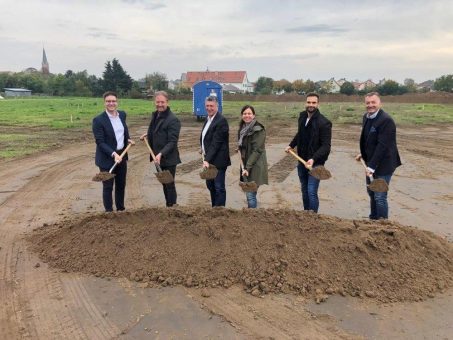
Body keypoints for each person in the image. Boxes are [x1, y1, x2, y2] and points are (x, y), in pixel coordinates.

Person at [357, 92, 401, 219]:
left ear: (379, 103)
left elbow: (383, 146)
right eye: (368, 103)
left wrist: (371, 167)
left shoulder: (386, 121)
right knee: (371, 192)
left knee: (380, 196)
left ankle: (383, 225)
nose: (370, 105)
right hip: (371, 161)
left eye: (373, 102)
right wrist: (363, 154)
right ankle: (374, 219)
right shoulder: (366, 117)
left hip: (384, 164)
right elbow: (369, 140)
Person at [285, 93, 332, 213]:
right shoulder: (302, 117)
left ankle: (313, 217)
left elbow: (326, 146)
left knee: (311, 191)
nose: (311, 105)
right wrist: (291, 145)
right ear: (305, 103)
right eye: (309, 102)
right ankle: (306, 214)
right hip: (301, 161)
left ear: (318, 104)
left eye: (314, 103)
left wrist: (313, 159)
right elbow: (299, 134)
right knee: (304, 189)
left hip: (315, 164)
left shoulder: (324, 123)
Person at [92, 91, 134, 212]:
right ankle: (109, 212)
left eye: (113, 101)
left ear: (117, 102)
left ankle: (120, 210)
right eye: (108, 101)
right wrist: (114, 154)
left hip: (122, 155)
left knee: (121, 185)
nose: (111, 103)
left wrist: (128, 139)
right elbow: (100, 142)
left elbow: (122, 131)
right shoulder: (98, 120)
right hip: (107, 158)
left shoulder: (122, 115)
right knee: (108, 186)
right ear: (104, 103)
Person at [140, 91, 181, 207]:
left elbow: (172, 141)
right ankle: (169, 205)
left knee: (169, 184)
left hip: (168, 158)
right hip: (157, 157)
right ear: (154, 102)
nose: (160, 104)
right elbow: (157, 130)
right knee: (164, 183)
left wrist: (161, 154)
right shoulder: (156, 115)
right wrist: (148, 134)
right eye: (157, 102)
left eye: (162, 102)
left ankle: (172, 206)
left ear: (167, 102)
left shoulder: (173, 120)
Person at [200, 95, 231, 207]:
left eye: (211, 106)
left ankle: (220, 212)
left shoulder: (221, 121)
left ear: (217, 106)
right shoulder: (208, 119)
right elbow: (207, 137)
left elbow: (216, 143)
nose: (209, 108)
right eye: (207, 106)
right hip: (209, 159)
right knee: (211, 185)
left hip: (218, 161)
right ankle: (214, 208)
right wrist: (202, 148)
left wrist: (207, 159)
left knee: (219, 187)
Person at [237, 105, 268, 208]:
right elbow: (246, 145)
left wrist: (247, 167)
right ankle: (252, 216)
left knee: (250, 194)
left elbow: (257, 150)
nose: (247, 116)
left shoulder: (258, 129)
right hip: (246, 164)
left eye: (249, 113)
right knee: (249, 193)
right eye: (245, 114)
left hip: (255, 165)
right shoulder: (243, 128)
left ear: (254, 115)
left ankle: (252, 217)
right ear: (242, 115)